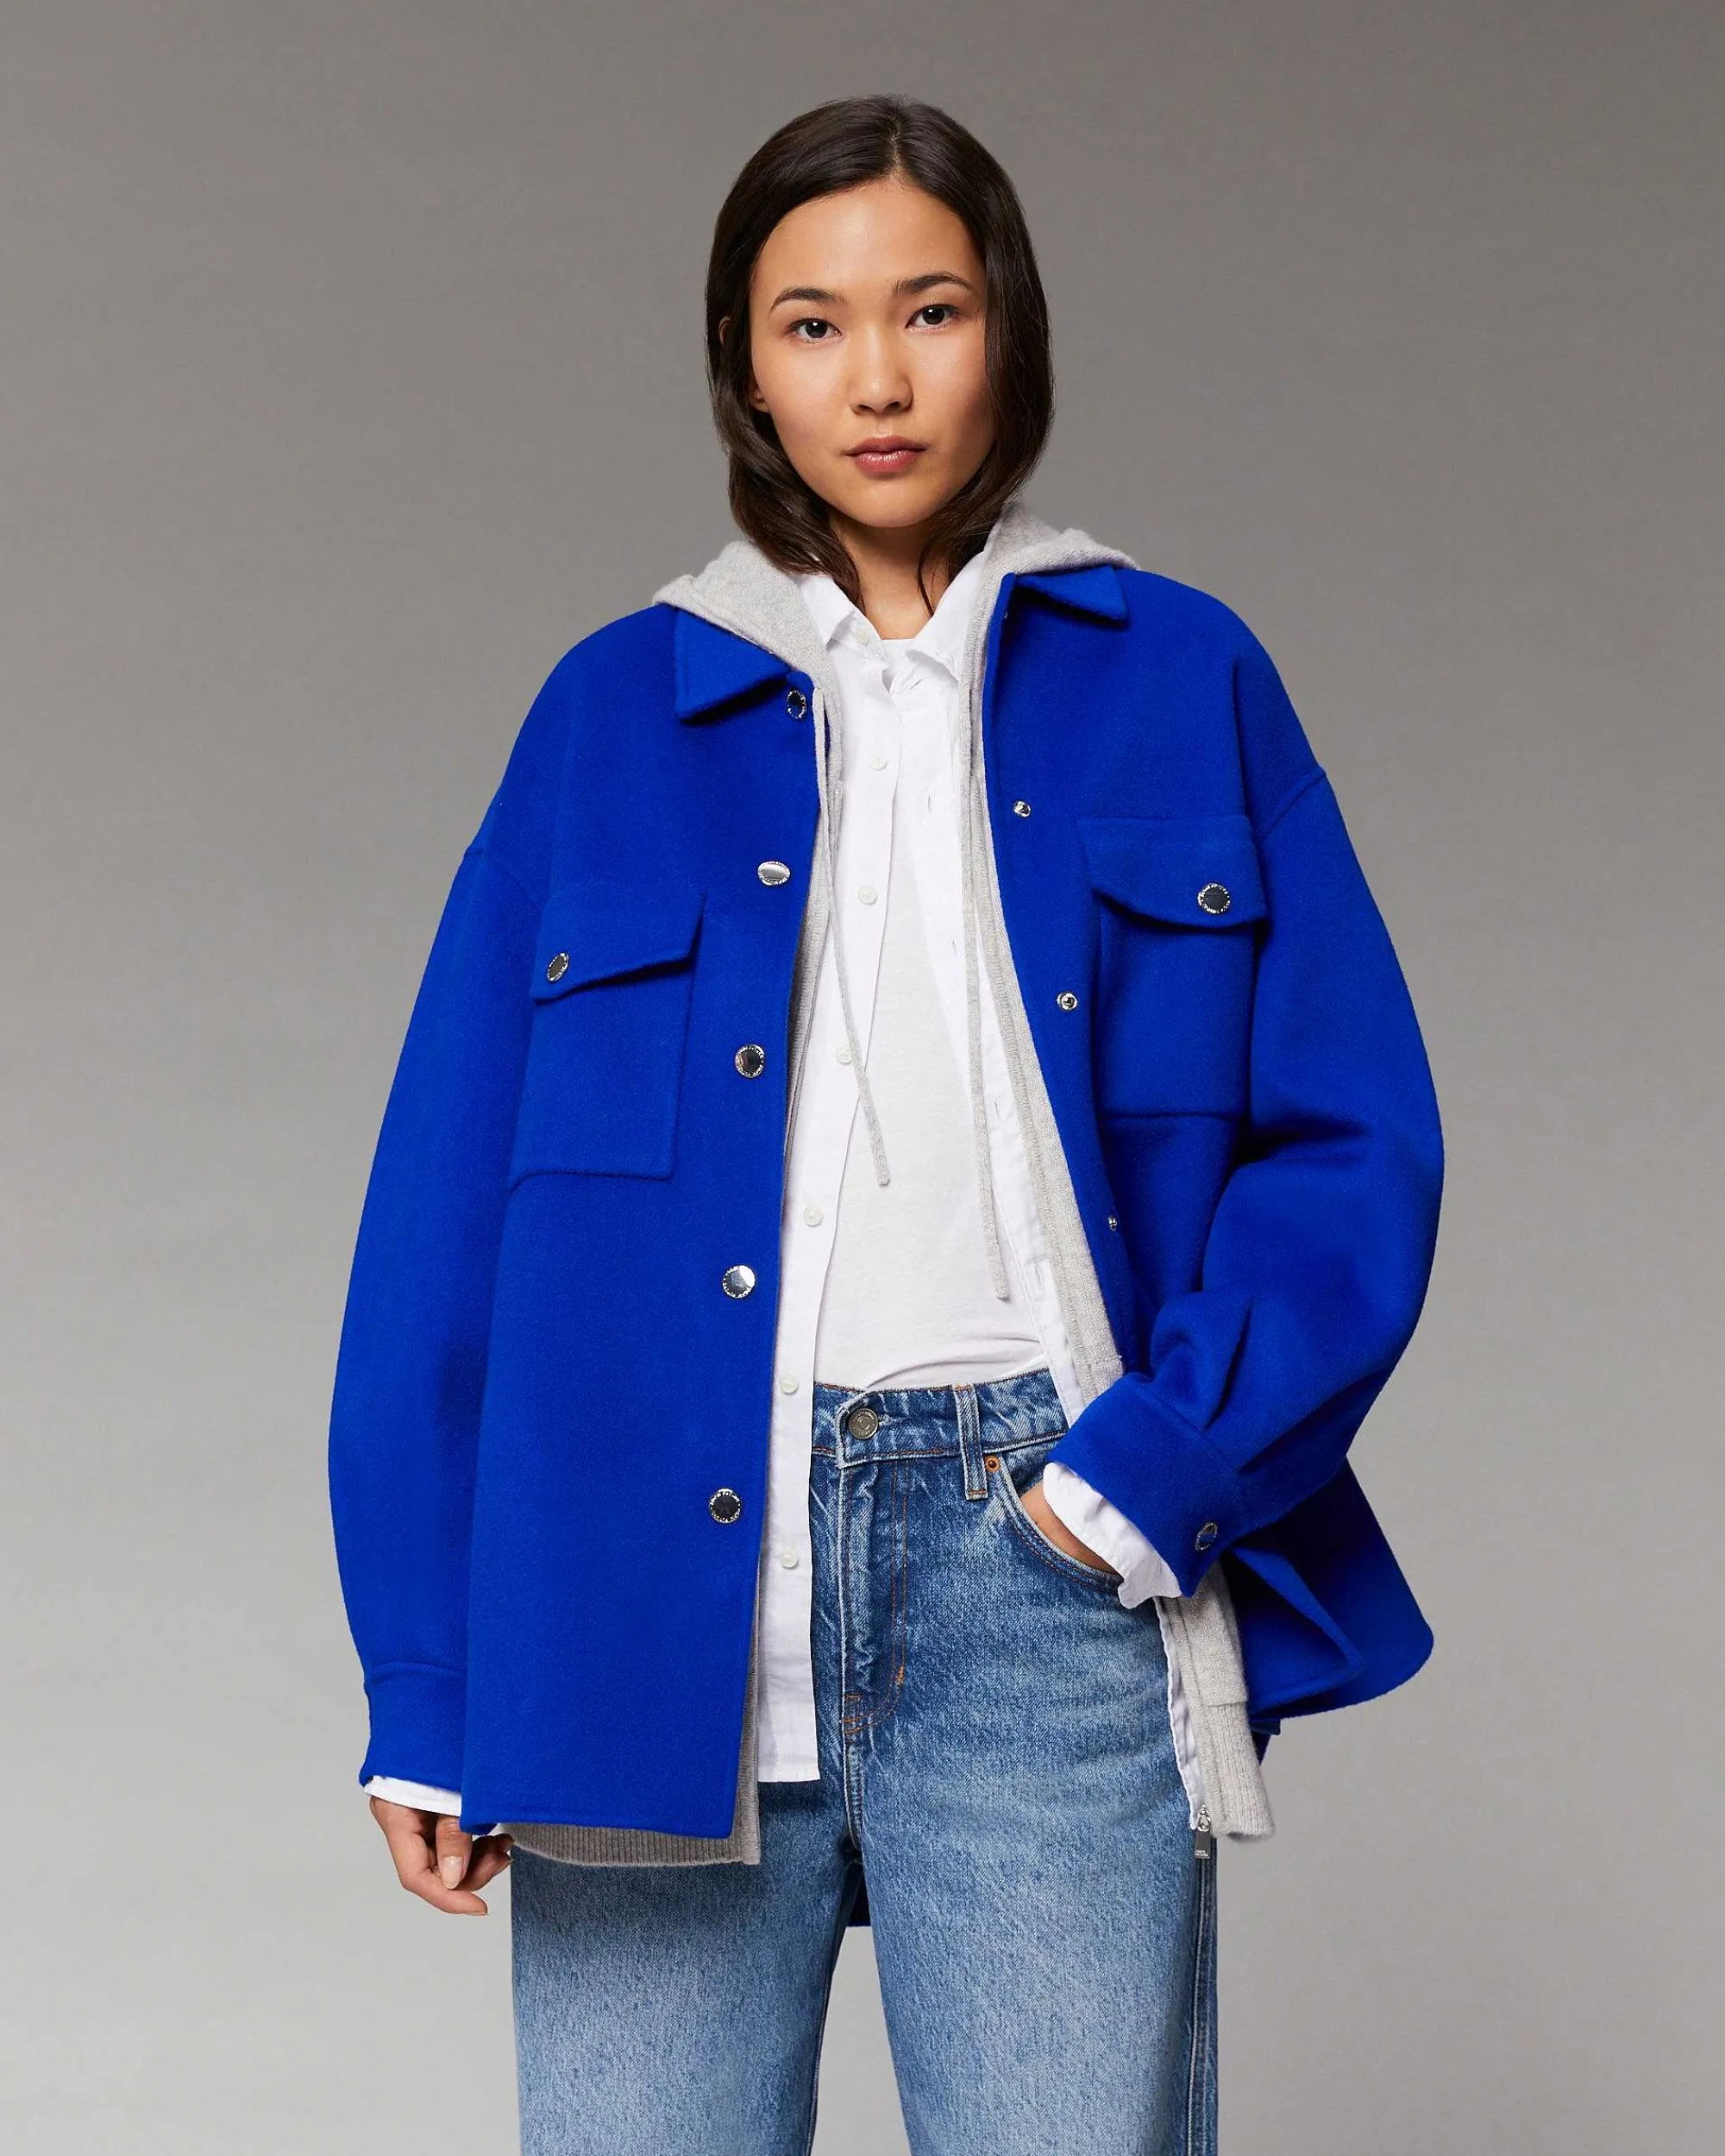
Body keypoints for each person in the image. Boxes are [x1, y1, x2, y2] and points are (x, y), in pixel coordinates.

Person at [328, 92, 1445, 2156]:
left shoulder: (1182, 673)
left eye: (928, 310)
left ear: (1005, 324)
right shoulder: (610, 710)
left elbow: (1352, 1139)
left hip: (1048, 1572)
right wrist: (426, 1673)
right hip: (642, 1601)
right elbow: (442, 1221)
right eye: (812, 323)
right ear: (743, 365)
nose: (876, 376)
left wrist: (1151, 1473)